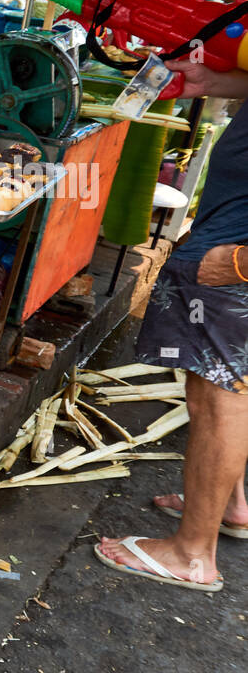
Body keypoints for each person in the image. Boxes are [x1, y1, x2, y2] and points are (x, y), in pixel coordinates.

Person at [95, 59, 248, 591]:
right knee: (226, 382)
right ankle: (229, 503)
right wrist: (219, 83)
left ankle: (192, 553)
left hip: (235, 262)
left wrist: (241, 262)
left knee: (220, 393)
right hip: (228, 241)